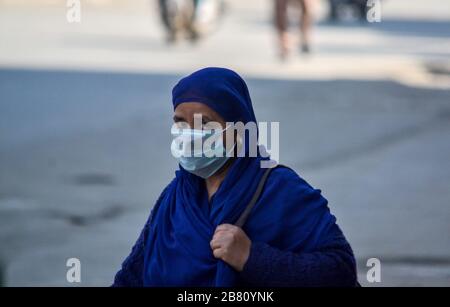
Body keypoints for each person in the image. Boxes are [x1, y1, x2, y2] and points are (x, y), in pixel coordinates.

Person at [112, 67, 357, 287]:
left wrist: (251, 257)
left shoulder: (283, 191)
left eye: (205, 123)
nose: (190, 135)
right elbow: (132, 277)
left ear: (239, 129)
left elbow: (340, 270)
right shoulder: (175, 198)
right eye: (181, 123)